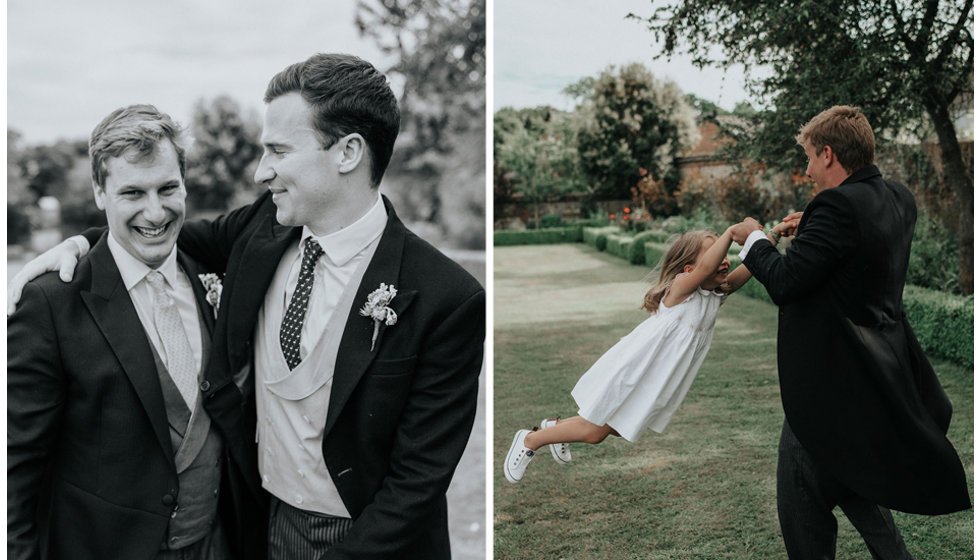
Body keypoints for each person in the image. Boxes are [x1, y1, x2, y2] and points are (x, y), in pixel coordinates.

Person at [9, 53, 485, 560]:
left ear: (347, 152)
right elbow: (156, 233)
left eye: (278, 151)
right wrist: (81, 246)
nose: (261, 172)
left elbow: (417, 482)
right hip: (258, 526)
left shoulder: (446, 297)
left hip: (371, 539)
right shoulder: (265, 226)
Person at [7, 105, 252, 559]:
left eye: (168, 188)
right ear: (100, 193)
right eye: (132, 193)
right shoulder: (50, 303)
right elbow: (14, 468)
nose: (155, 212)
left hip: (218, 544)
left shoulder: (210, 270)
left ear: (185, 185)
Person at [730, 105, 971, 559]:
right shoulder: (898, 197)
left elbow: (785, 282)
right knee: (856, 483)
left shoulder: (836, 206)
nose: (805, 170)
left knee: (802, 504)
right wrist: (814, 225)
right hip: (876, 379)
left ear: (827, 154)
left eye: (807, 158)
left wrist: (754, 238)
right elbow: (859, 250)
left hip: (828, 385)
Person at [504, 227, 767, 483]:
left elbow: (744, 270)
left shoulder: (713, 295)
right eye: (716, 255)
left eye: (724, 255)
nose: (724, 261)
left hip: (657, 376)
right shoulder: (681, 290)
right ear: (689, 270)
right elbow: (705, 269)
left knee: (619, 426)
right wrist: (731, 233)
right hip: (637, 368)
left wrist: (769, 237)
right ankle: (530, 439)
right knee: (595, 431)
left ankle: (555, 427)